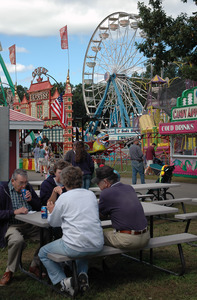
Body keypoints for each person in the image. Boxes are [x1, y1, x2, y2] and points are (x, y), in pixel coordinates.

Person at [38, 166, 104, 296]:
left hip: (74, 244)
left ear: (64, 182)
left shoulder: (64, 198)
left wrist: (52, 211)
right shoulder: (90, 195)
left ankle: (64, 281)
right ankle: (82, 275)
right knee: (83, 249)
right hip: (96, 243)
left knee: (43, 252)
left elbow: (53, 223)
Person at [0, 169, 42, 286]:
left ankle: (34, 264)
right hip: (12, 225)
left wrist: (31, 200)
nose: (24, 185)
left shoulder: (27, 188)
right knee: (17, 240)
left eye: (26, 183)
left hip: (29, 223)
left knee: (47, 235)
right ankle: (9, 271)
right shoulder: (3, 190)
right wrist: (14, 212)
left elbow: (39, 205)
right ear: (13, 181)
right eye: (21, 183)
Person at [92, 165, 149, 250]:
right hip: (146, 237)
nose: (97, 185)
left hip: (128, 240)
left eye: (98, 183)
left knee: (94, 236)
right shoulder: (129, 188)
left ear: (106, 181)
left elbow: (100, 216)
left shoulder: (106, 193)